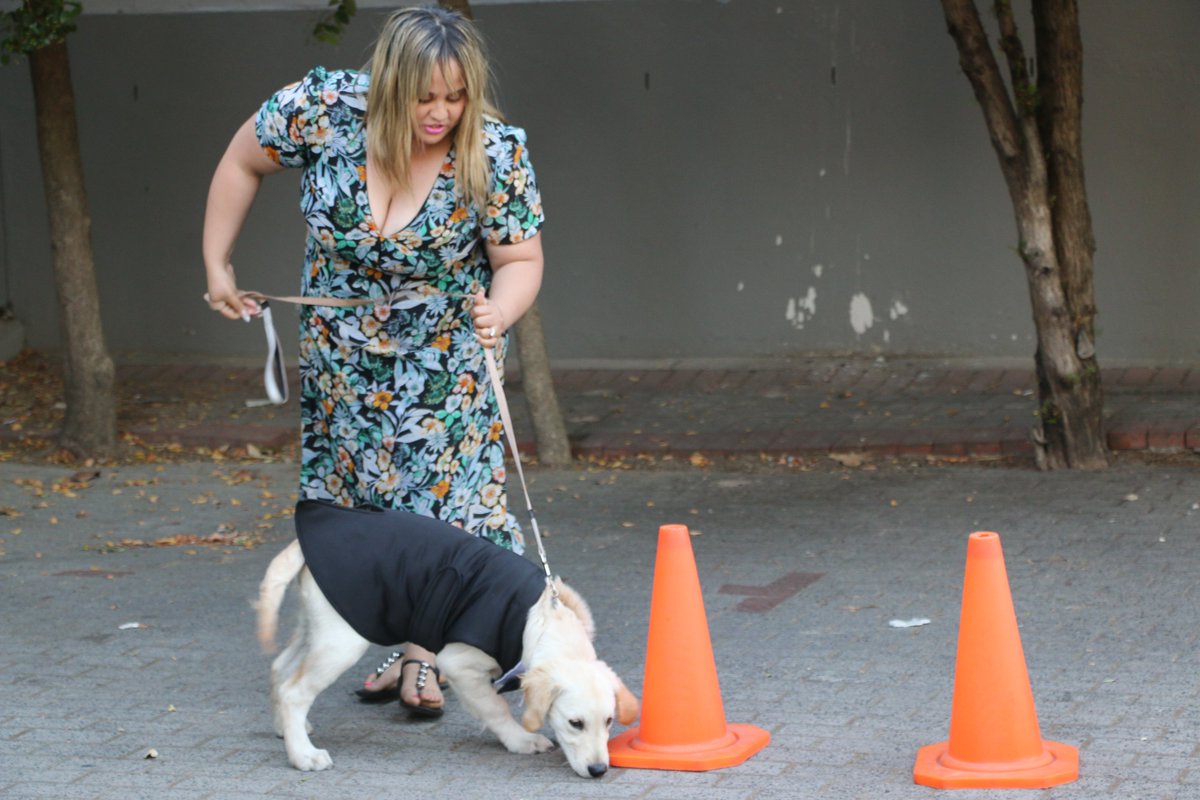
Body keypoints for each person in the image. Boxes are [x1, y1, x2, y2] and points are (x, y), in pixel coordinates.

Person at [201, 6, 544, 717]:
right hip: (344, 362)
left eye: (455, 97)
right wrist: (217, 264)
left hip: (445, 358)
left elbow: (520, 257)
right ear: (389, 83)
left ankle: (425, 658)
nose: (441, 113)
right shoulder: (323, 112)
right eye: (425, 97)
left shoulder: (493, 149)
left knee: (443, 510)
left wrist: (500, 309)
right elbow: (240, 160)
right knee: (362, 509)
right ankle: (388, 637)